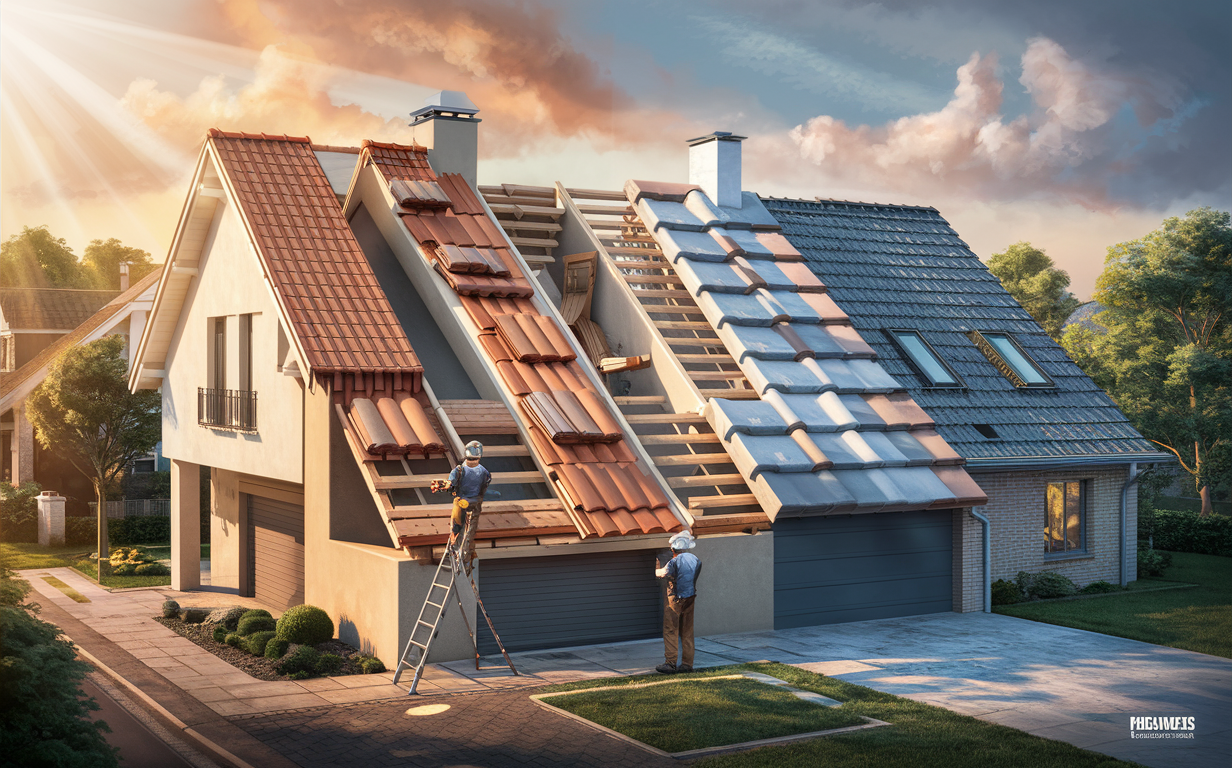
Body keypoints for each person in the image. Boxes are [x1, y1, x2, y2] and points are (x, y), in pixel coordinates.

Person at [431, 441, 490, 569]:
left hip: (461, 503)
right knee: (469, 533)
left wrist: (440, 487)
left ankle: (453, 554)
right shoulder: (485, 472)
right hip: (475, 504)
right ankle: (464, 559)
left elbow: (449, 486)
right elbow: (484, 488)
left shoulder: (459, 470)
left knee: (456, 529)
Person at [656, 530, 701, 674]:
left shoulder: (673, 561)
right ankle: (687, 664)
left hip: (675, 599)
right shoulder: (696, 560)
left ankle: (670, 664)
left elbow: (663, 574)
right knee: (687, 631)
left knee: (671, 630)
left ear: (673, 548)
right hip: (690, 598)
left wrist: (657, 569)